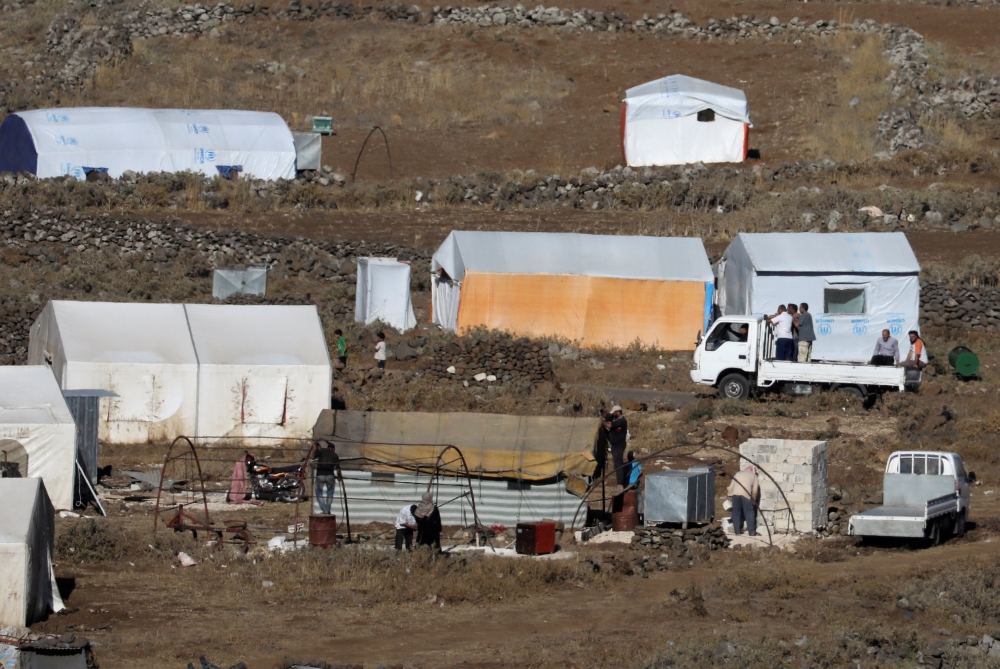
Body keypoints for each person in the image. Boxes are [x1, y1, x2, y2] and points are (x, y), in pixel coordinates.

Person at [727, 465, 760, 536]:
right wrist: (754, 499)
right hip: (746, 495)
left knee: (736, 513)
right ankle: (751, 532)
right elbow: (755, 489)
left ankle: (737, 532)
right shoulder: (754, 476)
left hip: (735, 495)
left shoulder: (738, 473)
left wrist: (729, 494)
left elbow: (731, 485)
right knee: (749, 513)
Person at [602, 405, 628, 486]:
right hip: (614, 445)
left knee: (618, 464)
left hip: (619, 445)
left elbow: (609, 425)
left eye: (614, 413)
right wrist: (601, 411)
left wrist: (600, 421)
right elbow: (607, 416)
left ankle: (620, 483)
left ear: (618, 412)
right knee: (616, 464)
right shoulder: (615, 418)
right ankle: (620, 482)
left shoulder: (622, 421)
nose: (613, 414)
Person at [313, 441, 340, 516]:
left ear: (328, 447)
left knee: (318, 492)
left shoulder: (322, 451)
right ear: (334, 448)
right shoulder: (335, 455)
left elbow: (313, 456)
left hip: (320, 475)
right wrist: (339, 477)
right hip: (330, 476)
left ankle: (325, 510)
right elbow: (338, 468)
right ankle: (327, 510)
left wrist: (315, 449)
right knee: (330, 493)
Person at [624, 451, 643, 519]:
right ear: (634, 457)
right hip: (635, 484)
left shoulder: (625, 465)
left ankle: (628, 513)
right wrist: (637, 481)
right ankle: (638, 514)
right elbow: (641, 472)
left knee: (627, 499)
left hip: (627, 485)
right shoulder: (637, 464)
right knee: (639, 499)